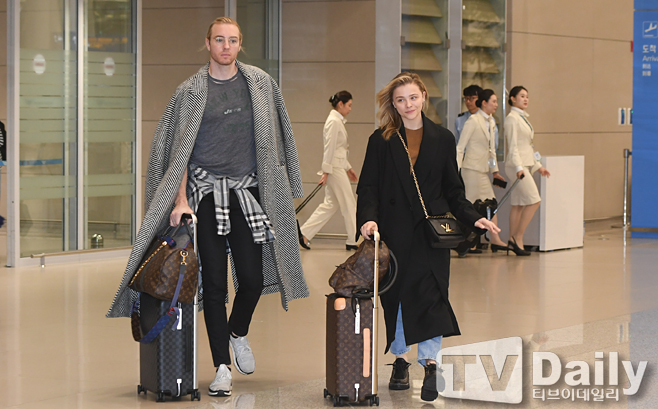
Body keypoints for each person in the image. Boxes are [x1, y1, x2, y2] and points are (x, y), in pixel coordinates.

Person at [106, 17, 309, 397]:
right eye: (220, 40)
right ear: (208, 43)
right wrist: (180, 200)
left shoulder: (260, 83)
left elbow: (281, 132)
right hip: (205, 196)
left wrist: (286, 182)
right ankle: (221, 366)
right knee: (214, 287)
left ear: (239, 44)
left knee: (250, 280)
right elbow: (178, 151)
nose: (226, 47)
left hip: (247, 194)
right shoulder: (190, 92)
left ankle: (237, 332)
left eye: (233, 40)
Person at [356, 72, 499, 402]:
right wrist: (368, 220)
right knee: (398, 298)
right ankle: (401, 360)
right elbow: (368, 186)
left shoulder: (443, 138)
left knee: (433, 296)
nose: (407, 105)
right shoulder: (381, 140)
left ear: (424, 97)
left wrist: (475, 217)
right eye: (400, 100)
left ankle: (431, 363)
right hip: (392, 232)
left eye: (413, 98)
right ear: (393, 104)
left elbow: (453, 190)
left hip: (430, 233)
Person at [299, 91, 358, 251]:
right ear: (341, 104)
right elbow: (329, 148)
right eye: (349, 105)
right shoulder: (334, 122)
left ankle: (304, 233)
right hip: (334, 169)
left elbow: (338, 150)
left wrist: (348, 168)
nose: (350, 109)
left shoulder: (337, 121)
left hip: (337, 167)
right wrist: (326, 172)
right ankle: (353, 240)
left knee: (331, 205)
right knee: (349, 204)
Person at [456, 89, 511, 254]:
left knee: (491, 203)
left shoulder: (491, 122)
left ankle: (495, 239)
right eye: (493, 101)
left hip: (483, 170)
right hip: (470, 169)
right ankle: (465, 242)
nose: (496, 104)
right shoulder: (473, 120)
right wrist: (455, 170)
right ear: (484, 102)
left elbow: (491, 150)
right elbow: (460, 147)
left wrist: (495, 171)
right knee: (470, 206)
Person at [504, 86, 550, 255]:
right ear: (513, 99)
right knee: (534, 200)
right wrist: (518, 168)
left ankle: (511, 240)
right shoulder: (512, 119)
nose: (525, 99)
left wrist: (538, 167)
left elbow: (528, 147)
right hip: (517, 166)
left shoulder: (522, 118)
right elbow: (513, 146)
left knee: (517, 205)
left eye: (527, 97)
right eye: (522, 96)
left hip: (525, 165)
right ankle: (518, 237)